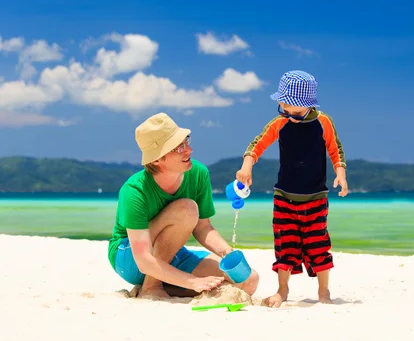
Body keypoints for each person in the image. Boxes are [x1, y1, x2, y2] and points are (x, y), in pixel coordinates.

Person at [107, 112, 259, 299]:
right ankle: (151, 287)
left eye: (186, 141)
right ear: (156, 159)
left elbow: (203, 227)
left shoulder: (198, 173)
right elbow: (144, 260)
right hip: (130, 258)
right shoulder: (134, 191)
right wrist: (190, 281)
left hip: (171, 252)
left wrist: (226, 252)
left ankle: (165, 286)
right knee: (187, 209)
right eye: (178, 148)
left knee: (248, 281)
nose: (189, 150)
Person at [235, 70, 348, 308]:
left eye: (294, 111)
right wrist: (247, 165)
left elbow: (335, 149)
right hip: (284, 196)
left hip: (316, 197)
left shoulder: (323, 122)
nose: (289, 114)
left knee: (318, 245)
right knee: (284, 244)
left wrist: (341, 173)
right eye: (283, 109)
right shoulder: (280, 123)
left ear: (307, 106)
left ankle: (324, 291)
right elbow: (258, 143)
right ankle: (283, 290)